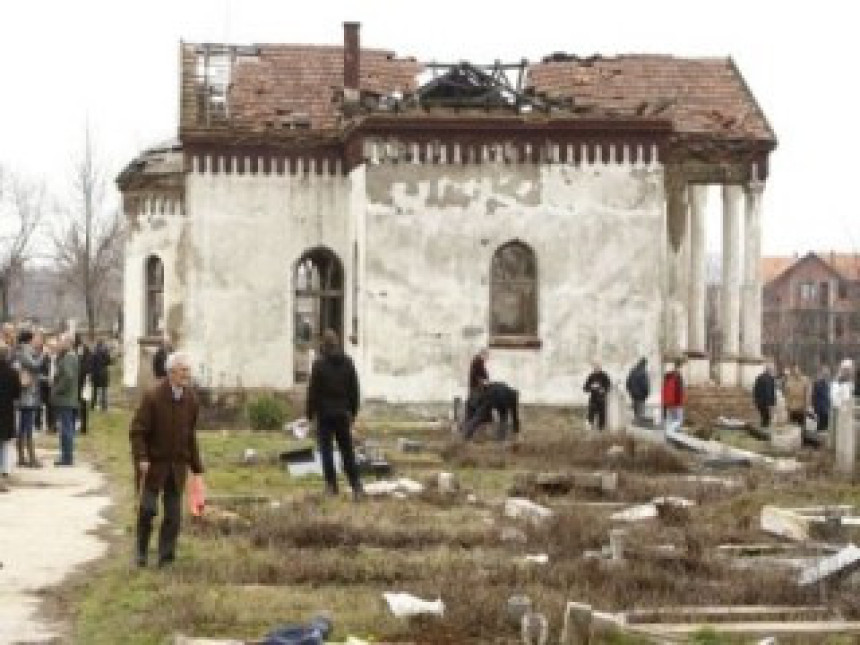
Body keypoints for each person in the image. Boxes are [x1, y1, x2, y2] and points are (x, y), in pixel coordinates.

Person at [130, 351, 204, 567]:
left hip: (177, 466)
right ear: (170, 372)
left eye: (188, 371)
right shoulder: (153, 396)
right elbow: (137, 431)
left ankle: (166, 558)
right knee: (147, 510)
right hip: (152, 465)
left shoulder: (191, 399)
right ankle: (141, 552)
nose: (187, 375)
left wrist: (197, 468)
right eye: (183, 371)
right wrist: (141, 457)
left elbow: (190, 435)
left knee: (173, 516)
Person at [305, 329, 363, 500]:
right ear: (337, 343)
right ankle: (356, 486)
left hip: (325, 415)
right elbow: (354, 390)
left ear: (323, 344)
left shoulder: (319, 365)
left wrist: (309, 413)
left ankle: (331, 487)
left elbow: (313, 392)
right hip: (343, 414)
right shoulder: (348, 363)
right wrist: (353, 411)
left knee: (327, 451)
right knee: (347, 451)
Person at [51, 333, 80, 466]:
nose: (59, 344)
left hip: (65, 399)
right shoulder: (71, 357)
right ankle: (66, 456)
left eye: (61, 342)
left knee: (66, 429)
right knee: (67, 428)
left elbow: (68, 377)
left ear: (68, 343)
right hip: (70, 398)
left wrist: (57, 389)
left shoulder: (68, 358)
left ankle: (66, 458)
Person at [15, 329, 43, 468]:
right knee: (27, 427)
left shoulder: (22, 351)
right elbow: (35, 365)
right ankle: (30, 458)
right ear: (28, 339)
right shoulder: (24, 351)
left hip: (26, 394)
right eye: (33, 338)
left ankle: (22, 456)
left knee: (23, 427)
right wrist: (43, 355)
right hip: (27, 396)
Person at [0, 343, 22, 490]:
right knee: (3, 444)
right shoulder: (12, 372)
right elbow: (17, 394)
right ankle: (2, 474)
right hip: (6, 412)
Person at [465, 348, 490, 428]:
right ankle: (469, 425)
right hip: (476, 388)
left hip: (477, 388)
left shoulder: (478, 361)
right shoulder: (477, 362)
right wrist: (483, 381)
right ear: (482, 355)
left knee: (474, 407)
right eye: (486, 356)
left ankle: (470, 424)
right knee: (475, 406)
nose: (487, 358)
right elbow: (476, 375)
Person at [583, 362, 611, 431]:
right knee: (591, 414)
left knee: (602, 415)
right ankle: (590, 427)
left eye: (598, 367)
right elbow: (585, 388)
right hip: (593, 398)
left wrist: (603, 389)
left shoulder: (604, 376)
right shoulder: (591, 376)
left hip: (602, 398)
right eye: (595, 367)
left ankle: (601, 429)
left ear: (600, 368)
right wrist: (591, 387)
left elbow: (609, 386)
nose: (596, 369)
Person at [74, 334, 92, 434]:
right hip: (80, 380)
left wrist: (86, 376)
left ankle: (83, 426)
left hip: (81, 381)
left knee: (82, 404)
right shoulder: (82, 349)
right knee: (80, 405)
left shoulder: (82, 350)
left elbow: (86, 365)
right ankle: (81, 425)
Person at [661, 359, 685, 431]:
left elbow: (663, 390)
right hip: (676, 402)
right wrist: (680, 402)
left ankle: (669, 435)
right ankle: (670, 432)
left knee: (670, 420)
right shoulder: (678, 377)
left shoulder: (667, 377)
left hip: (667, 402)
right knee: (679, 421)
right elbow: (679, 391)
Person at [625, 357, 650, 423]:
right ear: (645, 364)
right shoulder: (643, 372)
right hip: (641, 394)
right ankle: (639, 424)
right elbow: (644, 384)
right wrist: (646, 393)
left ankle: (636, 421)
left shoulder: (633, 371)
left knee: (636, 410)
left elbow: (627, 383)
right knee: (641, 411)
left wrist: (630, 392)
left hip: (633, 394)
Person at [753, 363, 777, 429]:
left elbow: (755, 390)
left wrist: (756, 401)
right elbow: (769, 392)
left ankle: (763, 430)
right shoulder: (770, 379)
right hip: (766, 403)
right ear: (769, 370)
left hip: (759, 402)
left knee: (763, 418)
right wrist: (771, 404)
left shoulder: (759, 377)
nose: (773, 371)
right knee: (767, 420)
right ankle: (765, 433)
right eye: (773, 369)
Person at [90, 340, 111, 411]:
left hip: (96, 374)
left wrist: (91, 374)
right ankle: (104, 407)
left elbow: (92, 364)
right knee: (104, 391)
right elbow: (109, 362)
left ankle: (93, 405)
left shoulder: (94, 353)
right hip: (104, 373)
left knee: (95, 391)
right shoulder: (105, 352)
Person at [812, 366, 831, 433]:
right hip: (820, 409)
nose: (826, 375)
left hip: (827, 409)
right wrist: (815, 410)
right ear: (822, 374)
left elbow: (829, 397)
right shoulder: (817, 383)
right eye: (825, 374)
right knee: (820, 427)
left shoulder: (829, 384)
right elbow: (814, 397)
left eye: (827, 374)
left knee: (826, 427)